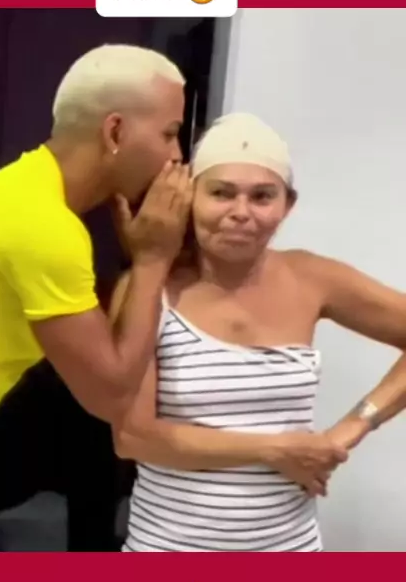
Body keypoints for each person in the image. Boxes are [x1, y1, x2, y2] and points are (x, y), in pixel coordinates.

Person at [0, 44, 192, 551]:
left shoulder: (25, 193)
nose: (177, 156)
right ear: (115, 132)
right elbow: (110, 397)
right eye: (169, 133)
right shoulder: (40, 223)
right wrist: (153, 259)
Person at [108, 112, 406, 552]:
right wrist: (275, 450)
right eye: (221, 193)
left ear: (287, 204)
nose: (240, 213)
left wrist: (349, 429)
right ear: (191, 197)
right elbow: (133, 438)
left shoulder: (312, 278)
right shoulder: (149, 289)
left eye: (262, 196)